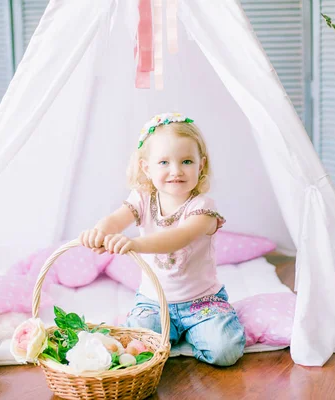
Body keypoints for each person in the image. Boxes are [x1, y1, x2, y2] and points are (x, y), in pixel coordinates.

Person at [79, 113, 245, 366]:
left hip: (201, 303)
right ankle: (170, 334)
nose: (176, 171)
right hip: (153, 302)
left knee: (226, 351)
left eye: (187, 161)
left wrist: (134, 244)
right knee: (131, 349)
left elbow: (178, 238)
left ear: (201, 165)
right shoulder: (143, 198)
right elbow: (116, 219)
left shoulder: (203, 208)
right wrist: (99, 231)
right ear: (147, 168)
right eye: (164, 162)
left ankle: (187, 333)